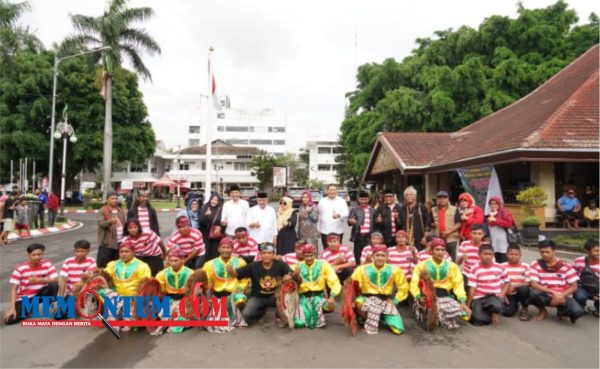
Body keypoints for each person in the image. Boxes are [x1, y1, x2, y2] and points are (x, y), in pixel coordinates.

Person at [228, 242, 292, 325]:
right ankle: (261, 312)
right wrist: (231, 271)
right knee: (245, 315)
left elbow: (291, 274)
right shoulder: (253, 266)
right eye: (264, 253)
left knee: (285, 293)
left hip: (275, 297)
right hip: (257, 297)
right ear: (260, 254)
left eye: (269, 253)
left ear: (273, 254)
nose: (266, 255)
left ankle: (280, 314)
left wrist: (289, 276)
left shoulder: (281, 264)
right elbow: (237, 274)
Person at [410, 240, 470, 329]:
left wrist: (462, 300)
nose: (440, 252)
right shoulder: (422, 265)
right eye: (437, 250)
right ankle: (438, 316)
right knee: (433, 315)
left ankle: (441, 317)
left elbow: (458, 284)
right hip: (428, 297)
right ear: (431, 251)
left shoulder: (452, 266)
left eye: (442, 250)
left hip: (445, 296)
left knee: (464, 313)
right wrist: (418, 296)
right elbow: (414, 284)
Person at [352, 245, 409, 335]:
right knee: (358, 302)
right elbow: (352, 286)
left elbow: (404, 287)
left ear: (387, 257)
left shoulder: (395, 269)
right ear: (373, 256)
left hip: (385, 300)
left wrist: (395, 300)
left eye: (383, 256)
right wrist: (352, 300)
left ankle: (379, 317)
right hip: (366, 299)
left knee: (398, 330)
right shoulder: (361, 269)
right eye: (377, 255)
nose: (380, 258)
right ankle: (365, 319)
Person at [528, 240, 585, 323]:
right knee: (533, 293)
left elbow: (574, 286)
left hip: (563, 295)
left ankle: (562, 311)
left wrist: (561, 295)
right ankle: (542, 310)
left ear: (554, 251)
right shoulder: (535, 264)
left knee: (578, 311)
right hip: (545, 293)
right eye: (542, 252)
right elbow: (534, 284)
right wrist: (553, 292)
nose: (544, 255)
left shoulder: (566, 265)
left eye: (547, 252)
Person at [4, 243, 59, 324]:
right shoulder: (20, 268)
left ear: (42, 254)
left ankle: (51, 308)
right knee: (10, 320)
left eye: (39, 254)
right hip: (25, 298)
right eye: (34, 255)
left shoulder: (47, 264)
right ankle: (29, 308)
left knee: (53, 286)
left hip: (41, 293)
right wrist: (12, 308)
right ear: (28, 255)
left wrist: (39, 280)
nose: (37, 257)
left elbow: (56, 280)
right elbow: (14, 288)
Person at [203, 238, 250, 332]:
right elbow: (206, 281)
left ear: (232, 250)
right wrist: (205, 291)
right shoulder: (209, 264)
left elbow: (245, 279)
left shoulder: (240, 262)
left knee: (240, 298)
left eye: (228, 247)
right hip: (218, 296)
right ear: (219, 249)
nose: (225, 250)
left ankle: (237, 313)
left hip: (234, 294)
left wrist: (240, 288)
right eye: (223, 247)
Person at [291, 244, 340, 329]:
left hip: (319, 297)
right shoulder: (297, 266)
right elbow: (284, 272)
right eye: (306, 256)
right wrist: (294, 275)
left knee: (330, 306)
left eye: (311, 255)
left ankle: (319, 312)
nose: (309, 258)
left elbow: (334, 281)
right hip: (303, 298)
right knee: (299, 324)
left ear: (315, 254)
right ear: (303, 255)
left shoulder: (323, 264)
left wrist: (332, 296)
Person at [467, 244, 510, 326]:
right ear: (479, 255)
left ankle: (494, 313)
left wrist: (502, 294)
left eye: (490, 254)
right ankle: (484, 312)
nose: (488, 256)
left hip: (494, 296)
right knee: (479, 320)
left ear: (493, 255)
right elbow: (472, 289)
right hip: (479, 298)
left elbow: (507, 282)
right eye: (485, 254)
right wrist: (468, 306)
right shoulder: (475, 269)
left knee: (498, 305)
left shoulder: (499, 267)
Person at [501, 244, 531, 320]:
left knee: (524, 289)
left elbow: (528, 282)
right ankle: (515, 304)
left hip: (520, 290)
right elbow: (498, 282)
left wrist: (514, 286)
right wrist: (504, 292)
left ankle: (525, 308)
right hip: (508, 292)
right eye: (511, 254)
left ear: (520, 255)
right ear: (507, 255)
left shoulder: (525, 266)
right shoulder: (502, 266)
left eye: (516, 254)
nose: (513, 256)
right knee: (508, 313)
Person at [97, 191, 126, 268]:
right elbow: (101, 224)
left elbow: (124, 223)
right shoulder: (102, 210)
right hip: (107, 243)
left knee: (117, 265)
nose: (114, 200)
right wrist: (110, 222)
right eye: (112, 198)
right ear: (107, 200)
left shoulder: (120, 210)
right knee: (104, 266)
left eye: (116, 199)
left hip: (120, 242)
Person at [397, 186, 431, 251]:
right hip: (405, 239)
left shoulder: (421, 208)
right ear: (405, 197)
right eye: (407, 195)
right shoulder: (402, 209)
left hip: (419, 239)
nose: (409, 196)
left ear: (415, 196)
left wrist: (425, 237)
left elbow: (427, 223)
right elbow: (399, 225)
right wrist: (397, 219)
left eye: (411, 195)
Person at [431, 191, 461, 260]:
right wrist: (433, 224)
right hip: (438, 237)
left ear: (448, 199)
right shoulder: (433, 209)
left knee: (451, 258)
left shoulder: (454, 209)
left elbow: (458, 223)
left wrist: (448, 232)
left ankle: (451, 271)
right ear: (437, 199)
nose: (442, 199)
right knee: (438, 258)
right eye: (440, 198)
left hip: (451, 238)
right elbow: (430, 223)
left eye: (444, 197)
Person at [572, 239, 599, 316]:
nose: (599, 253)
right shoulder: (578, 261)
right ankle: (580, 308)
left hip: (598, 288)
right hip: (584, 287)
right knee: (579, 296)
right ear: (587, 251)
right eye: (596, 251)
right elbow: (573, 277)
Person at [317, 184, 349, 249]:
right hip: (325, 230)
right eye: (330, 190)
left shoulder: (342, 201)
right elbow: (318, 215)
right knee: (326, 249)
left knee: (337, 249)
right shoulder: (322, 201)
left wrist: (338, 215)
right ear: (327, 191)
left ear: (337, 191)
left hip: (337, 230)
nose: (332, 192)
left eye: (334, 190)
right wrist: (318, 228)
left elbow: (346, 213)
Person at [457, 224, 486, 292]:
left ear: (483, 234)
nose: (477, 236)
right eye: (474, 233)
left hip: (481, 274)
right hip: (467, 274)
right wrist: (462, 257)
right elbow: (457, 262)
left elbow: (491, 263)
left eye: (479, 234)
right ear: (470, 234)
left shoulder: (486, 246)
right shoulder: (464, 244)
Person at [484, 196, 514, 263]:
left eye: (495, 203)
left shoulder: (504, 212)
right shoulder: (490, 214)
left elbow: (509, 223)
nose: (493, 205)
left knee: (504, 261)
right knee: (495, 262)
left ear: (499, 204)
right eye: (491, 203)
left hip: (503, 243)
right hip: (494, 243)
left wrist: (495, 219)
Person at [348, 191, 375, 263]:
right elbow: (349, 221)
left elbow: (376, 222)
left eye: (365, 199)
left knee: (369, 254)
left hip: (369, 236)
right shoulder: (354, 210)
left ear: (368, 199)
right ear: (358, 199)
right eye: (361, 199)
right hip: (358, 235)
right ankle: (358, 269)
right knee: (358, 254)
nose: (363, 201)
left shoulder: (373, 210)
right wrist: (350, 221)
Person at [199, 194, 223, 261]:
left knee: (215, 252)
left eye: (216, 200)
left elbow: (223, 221)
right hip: (206, 234)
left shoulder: (221, 209)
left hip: (216, 234)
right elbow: (200, 222)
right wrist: (206, 215)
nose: (214, 201)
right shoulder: (205, 207)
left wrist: (220, 227)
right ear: (210, 199)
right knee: (206, 252)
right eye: (212, 199)